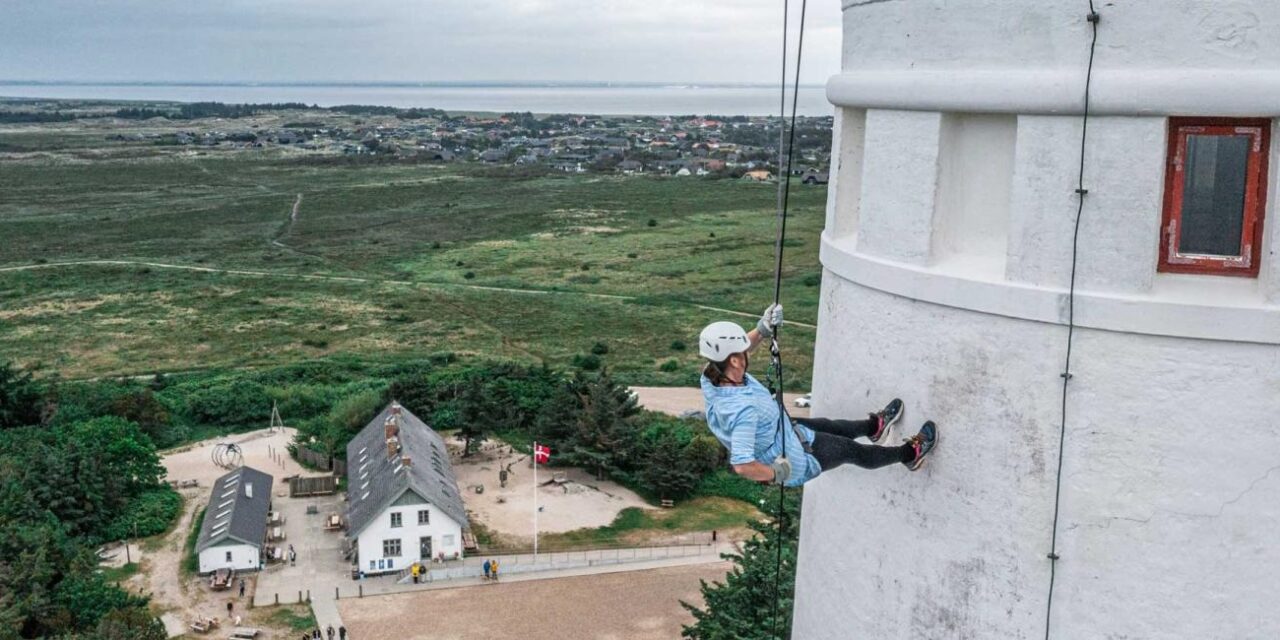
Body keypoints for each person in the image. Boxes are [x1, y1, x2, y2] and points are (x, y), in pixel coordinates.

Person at [699, 305, 938, 488]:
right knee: (851, 450)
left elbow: (738, 351)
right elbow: (741, 465)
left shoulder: (712, 375)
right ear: (734, 360)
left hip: (784, 429)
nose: (745, 352)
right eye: (741, 352)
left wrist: (762, 330)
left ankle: (874, 427)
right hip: (793, 457)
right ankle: (910, 454)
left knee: (829, 426)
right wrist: (775, 473)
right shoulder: (742, 412)